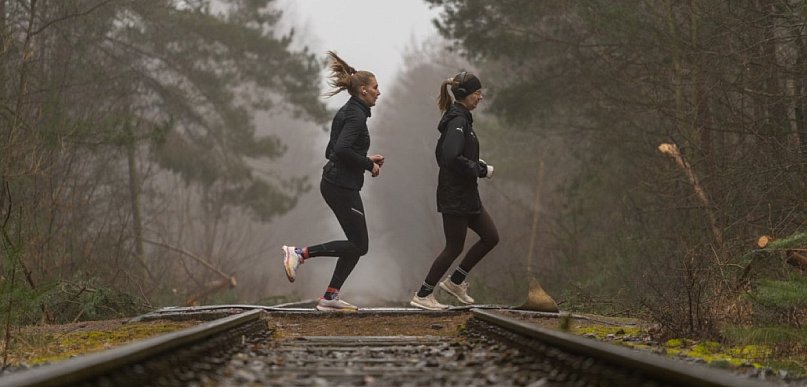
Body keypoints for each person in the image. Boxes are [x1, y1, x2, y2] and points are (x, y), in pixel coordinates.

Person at [281, 51, 383, 312]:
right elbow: (340, 151)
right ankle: (299, 254)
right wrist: (368, 164)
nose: (378, 92)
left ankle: (330, 297)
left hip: (337, 183)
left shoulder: (350, 111)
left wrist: (364, 158)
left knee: (356, 245)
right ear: (363, 90)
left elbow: (332, 151)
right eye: (375, 87)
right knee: (359, 245)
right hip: (340, 186)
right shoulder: (356, 115)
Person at [410, 71, 499, 311]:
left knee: (491, 237)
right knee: (454, 247)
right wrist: (479, 170)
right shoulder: (457, 121)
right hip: (455, 195)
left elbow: (450, 155)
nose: (480, 97)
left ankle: (455, 282)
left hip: (466, 194)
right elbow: (449, 157)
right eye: (477, 93)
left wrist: (476, 164)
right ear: (464, 94)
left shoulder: (462, 120)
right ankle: (423, 294)